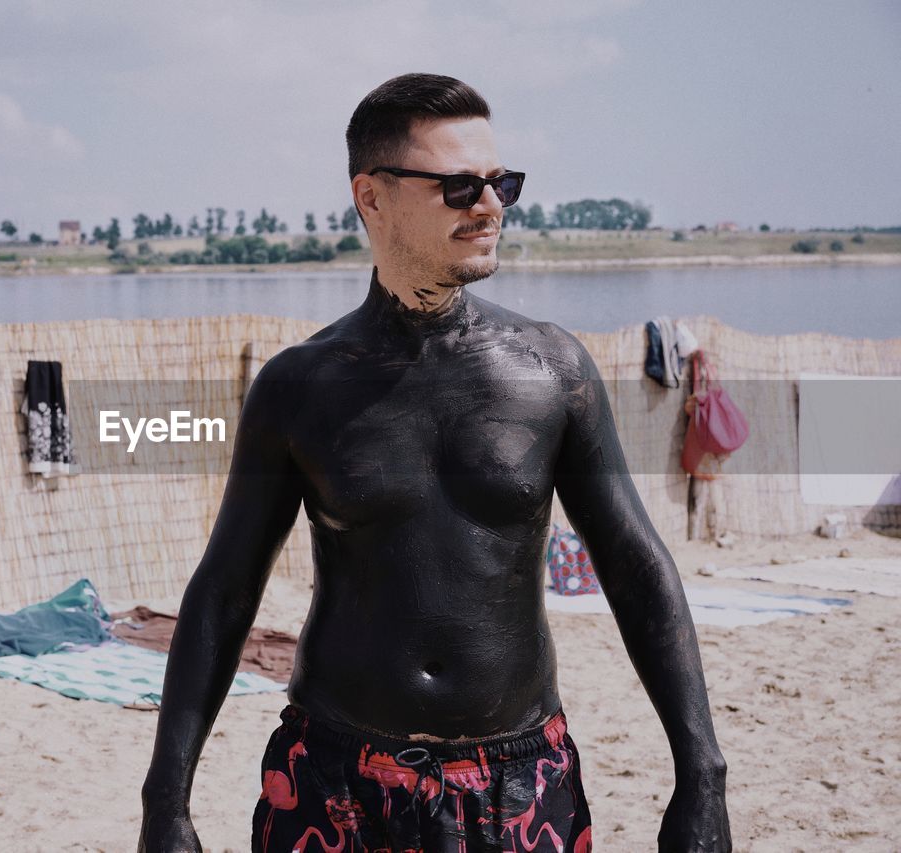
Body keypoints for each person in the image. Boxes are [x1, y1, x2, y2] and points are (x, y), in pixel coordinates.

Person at [140, 74, 730, 851]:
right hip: (334, 775)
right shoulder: (300, 387)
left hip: (517, 780)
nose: (489, 207)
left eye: (502, 183)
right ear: (372, 198)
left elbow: (635, 564)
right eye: (458, 187)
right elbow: (223, 592)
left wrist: (702, 777)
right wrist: (165, 803)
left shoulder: (549, 370)